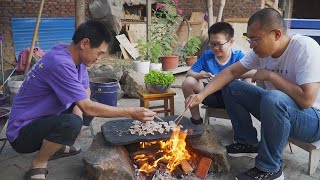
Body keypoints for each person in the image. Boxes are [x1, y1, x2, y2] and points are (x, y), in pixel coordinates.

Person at [6, 20, 156, 180]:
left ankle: (56, 146)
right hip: (22, 133)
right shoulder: (60, 63)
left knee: (85, 110)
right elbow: (88, 107)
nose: (99, 59)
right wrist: (131, 112)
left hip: (44, 117)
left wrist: (79, 111)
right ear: (85, 43)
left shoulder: (77, 59)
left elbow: (86, 90)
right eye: (99, 53)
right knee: (73, 122)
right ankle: (39, 163)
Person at [185, 8, 320, 180]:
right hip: (280, 111)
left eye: (255, 40)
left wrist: (272, 76)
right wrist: (202, 95)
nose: (251, 45)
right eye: (249, 39)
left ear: (277, 34)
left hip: (312, 121)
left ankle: (270, 169)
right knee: (232, 86)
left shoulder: (305, 48)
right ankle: (247, 142)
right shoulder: (262, 52)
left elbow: (307, 100)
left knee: (273, 97)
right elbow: (231, 72)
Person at [182, 22, 255, 125]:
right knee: (188, 81)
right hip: (210, 94)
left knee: (249, 81)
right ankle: (196, 120)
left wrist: (227, 77)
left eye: (219, 44)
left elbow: (253, 73)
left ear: (231, 42)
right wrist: (203, 75)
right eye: (212, 44)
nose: (215, 48)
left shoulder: (237, 56)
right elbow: (189, 73)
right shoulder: (207, 55)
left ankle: (243, 125)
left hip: (232, 97)